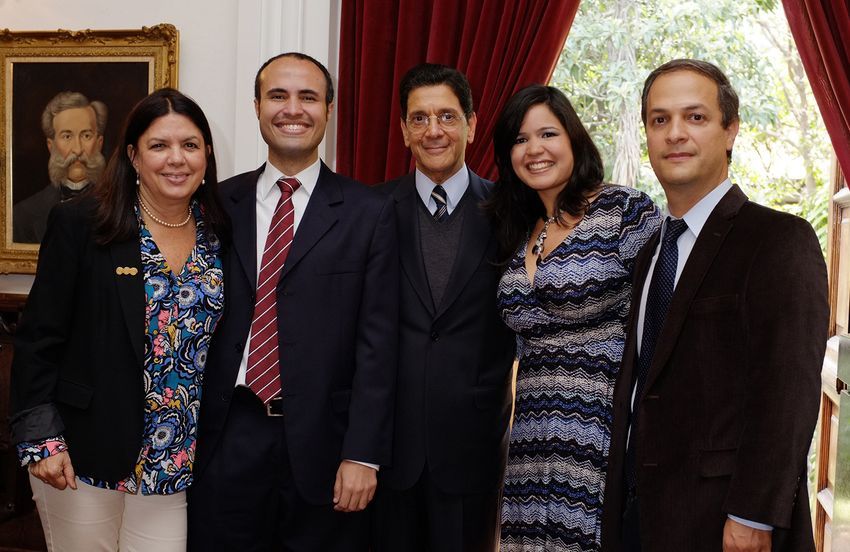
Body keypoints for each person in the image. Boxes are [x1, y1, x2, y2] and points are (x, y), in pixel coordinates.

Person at [600, 59, 829, 552]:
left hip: (727, 524)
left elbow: (787, 392)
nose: (675, 133)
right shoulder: (651, 252)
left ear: (731, 130)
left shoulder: (777, 240)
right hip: (640, 517)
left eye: (695, 117)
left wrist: (752, 516)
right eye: (660, 119)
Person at [188, 52, 398, 552]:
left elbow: (380, 344)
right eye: (278, 96)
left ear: (329, 110)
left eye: (308, 97)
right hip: (227, 438)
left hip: (327, 445)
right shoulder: (216, 205)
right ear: (257, 107)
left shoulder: (369, 212)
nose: (293, 109)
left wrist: (363, 454)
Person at [10, 87, 228, 551]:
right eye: (159, 145)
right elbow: (38, 339)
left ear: (207, 154)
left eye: (190, 145)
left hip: (173, 461)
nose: (176, 159)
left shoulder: (219, 233)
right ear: (133, 155)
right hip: (82, 453)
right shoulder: (83, 223)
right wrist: (42, 441)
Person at [488, 85, 661, 551]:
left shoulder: (625, 210)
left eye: (548, 133)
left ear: (574, 139)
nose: (534, 149)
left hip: (601, 429)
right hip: (531, 435)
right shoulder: (518, 226)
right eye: (520, 139)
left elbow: (664, 323)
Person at [371, 63, 515, 552]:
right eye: (420, 118)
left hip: (473, 447)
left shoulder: (510, 212)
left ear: (471, 124)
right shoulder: (370, 211)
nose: (433, 130)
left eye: (447, 117)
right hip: (388, 452)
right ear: (403, 130)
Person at [14, 91, 108, 243]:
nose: (77, 149)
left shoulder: (122, 208)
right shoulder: (22, 215)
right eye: (67, 136)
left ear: (99, 143)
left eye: (86, 136)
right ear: (51, 146)